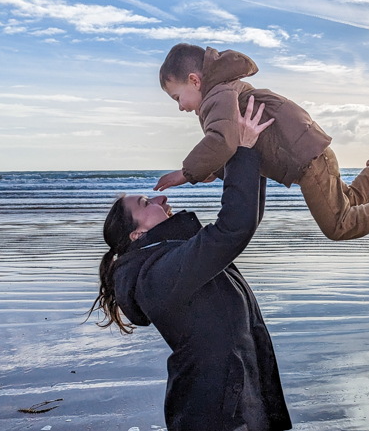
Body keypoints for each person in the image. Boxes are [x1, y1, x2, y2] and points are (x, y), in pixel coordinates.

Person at [90, 97, 292, 431]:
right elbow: (232, 229)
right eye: (145, 202)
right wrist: (241, 151)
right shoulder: (155, 276)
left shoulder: (166, 258)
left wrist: (249, 157)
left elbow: (243, 225)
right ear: (137, 233)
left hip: (234, 401)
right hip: (215, 413)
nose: (161, 198)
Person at [153, 43, 369, 241]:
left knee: (337, 225)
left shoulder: (216, 96)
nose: (180, 107)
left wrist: (186, 173)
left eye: (177, 98)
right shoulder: (226, 90)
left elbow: (223, 140)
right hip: (310, 150)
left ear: (194, 80)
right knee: (350, 203)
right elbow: (237, 142)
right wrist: (214, 172)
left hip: (304, 159)